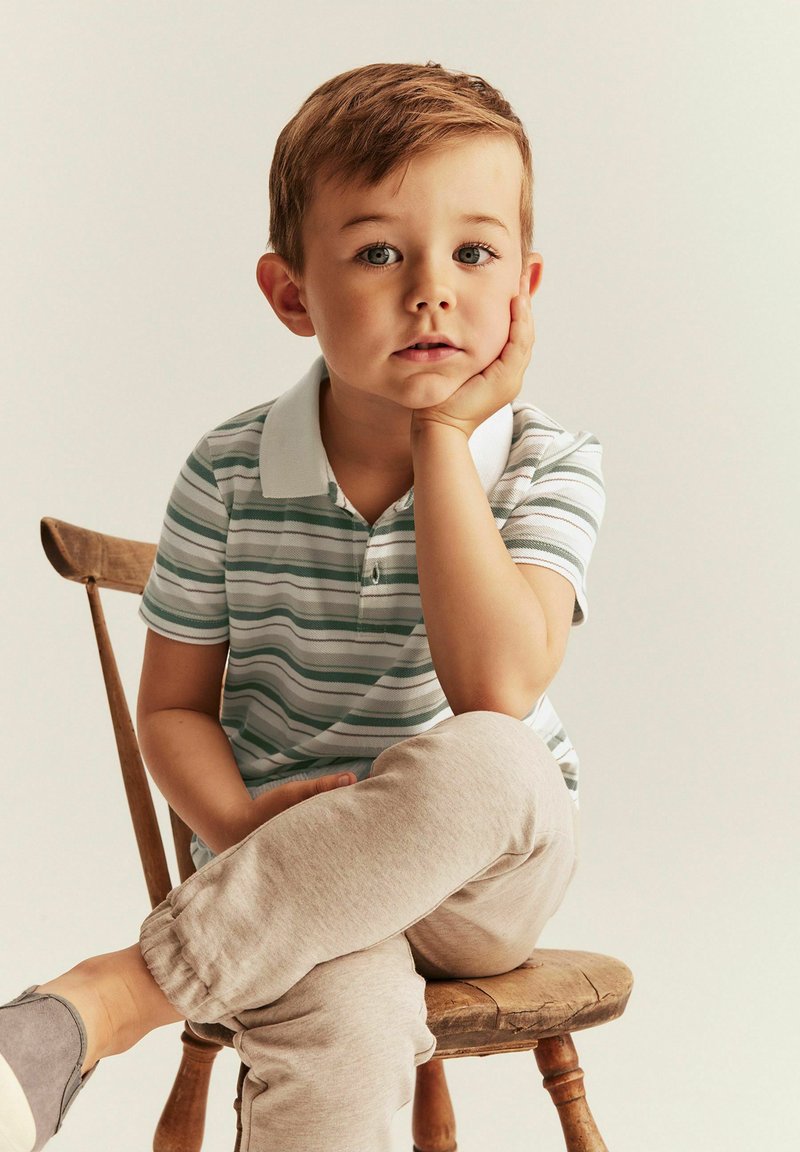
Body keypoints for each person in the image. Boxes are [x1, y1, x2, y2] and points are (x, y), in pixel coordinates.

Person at [0, 61, 605, 1152]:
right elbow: (172, 709)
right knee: (340, 1020)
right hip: (282, 876)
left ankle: (111, 996)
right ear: (291, 295)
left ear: (524, 285)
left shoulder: (546, 462)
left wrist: (441, 436)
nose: (430, 290)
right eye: (378, 253)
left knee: (498, 755)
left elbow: (496, 685)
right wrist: (238, 829)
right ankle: (206, 965)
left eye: (472, 253)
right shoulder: (229, 471)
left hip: (479, 884)